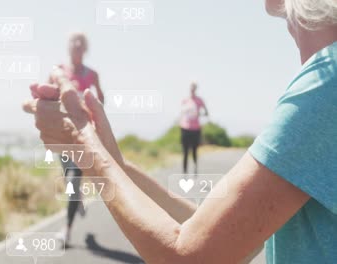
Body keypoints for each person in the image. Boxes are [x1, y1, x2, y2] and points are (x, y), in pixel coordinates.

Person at [24, 0, 337, 263]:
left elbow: (188, 256)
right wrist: (107, 158)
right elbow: (219, 239)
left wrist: (82, 143)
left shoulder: (326, 83)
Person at [48, 32, 104, 245]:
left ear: (85, 50)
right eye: (74, 45)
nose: (77, 48)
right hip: (62, 132)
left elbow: (102, 98)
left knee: (73, 178)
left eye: (81, 46)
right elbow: (47, 95)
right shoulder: (58, 71)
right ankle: (78, 196)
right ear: (69, 48)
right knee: (67, 178)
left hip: (82, 133)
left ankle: (67, 230)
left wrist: (90, 102)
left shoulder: (92, 75)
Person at [180, 82, 208, 174]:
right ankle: (184, 172)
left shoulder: (199, 100)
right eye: (191, 88)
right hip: (185, 128)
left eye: (194, 88)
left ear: (196, 89)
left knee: (194, 150)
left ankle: (195, 169)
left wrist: (198, 114)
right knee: (185, 151)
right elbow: (182, 113)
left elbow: (206, 113)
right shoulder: (185, 100)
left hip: (195, 129)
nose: (192, 89)